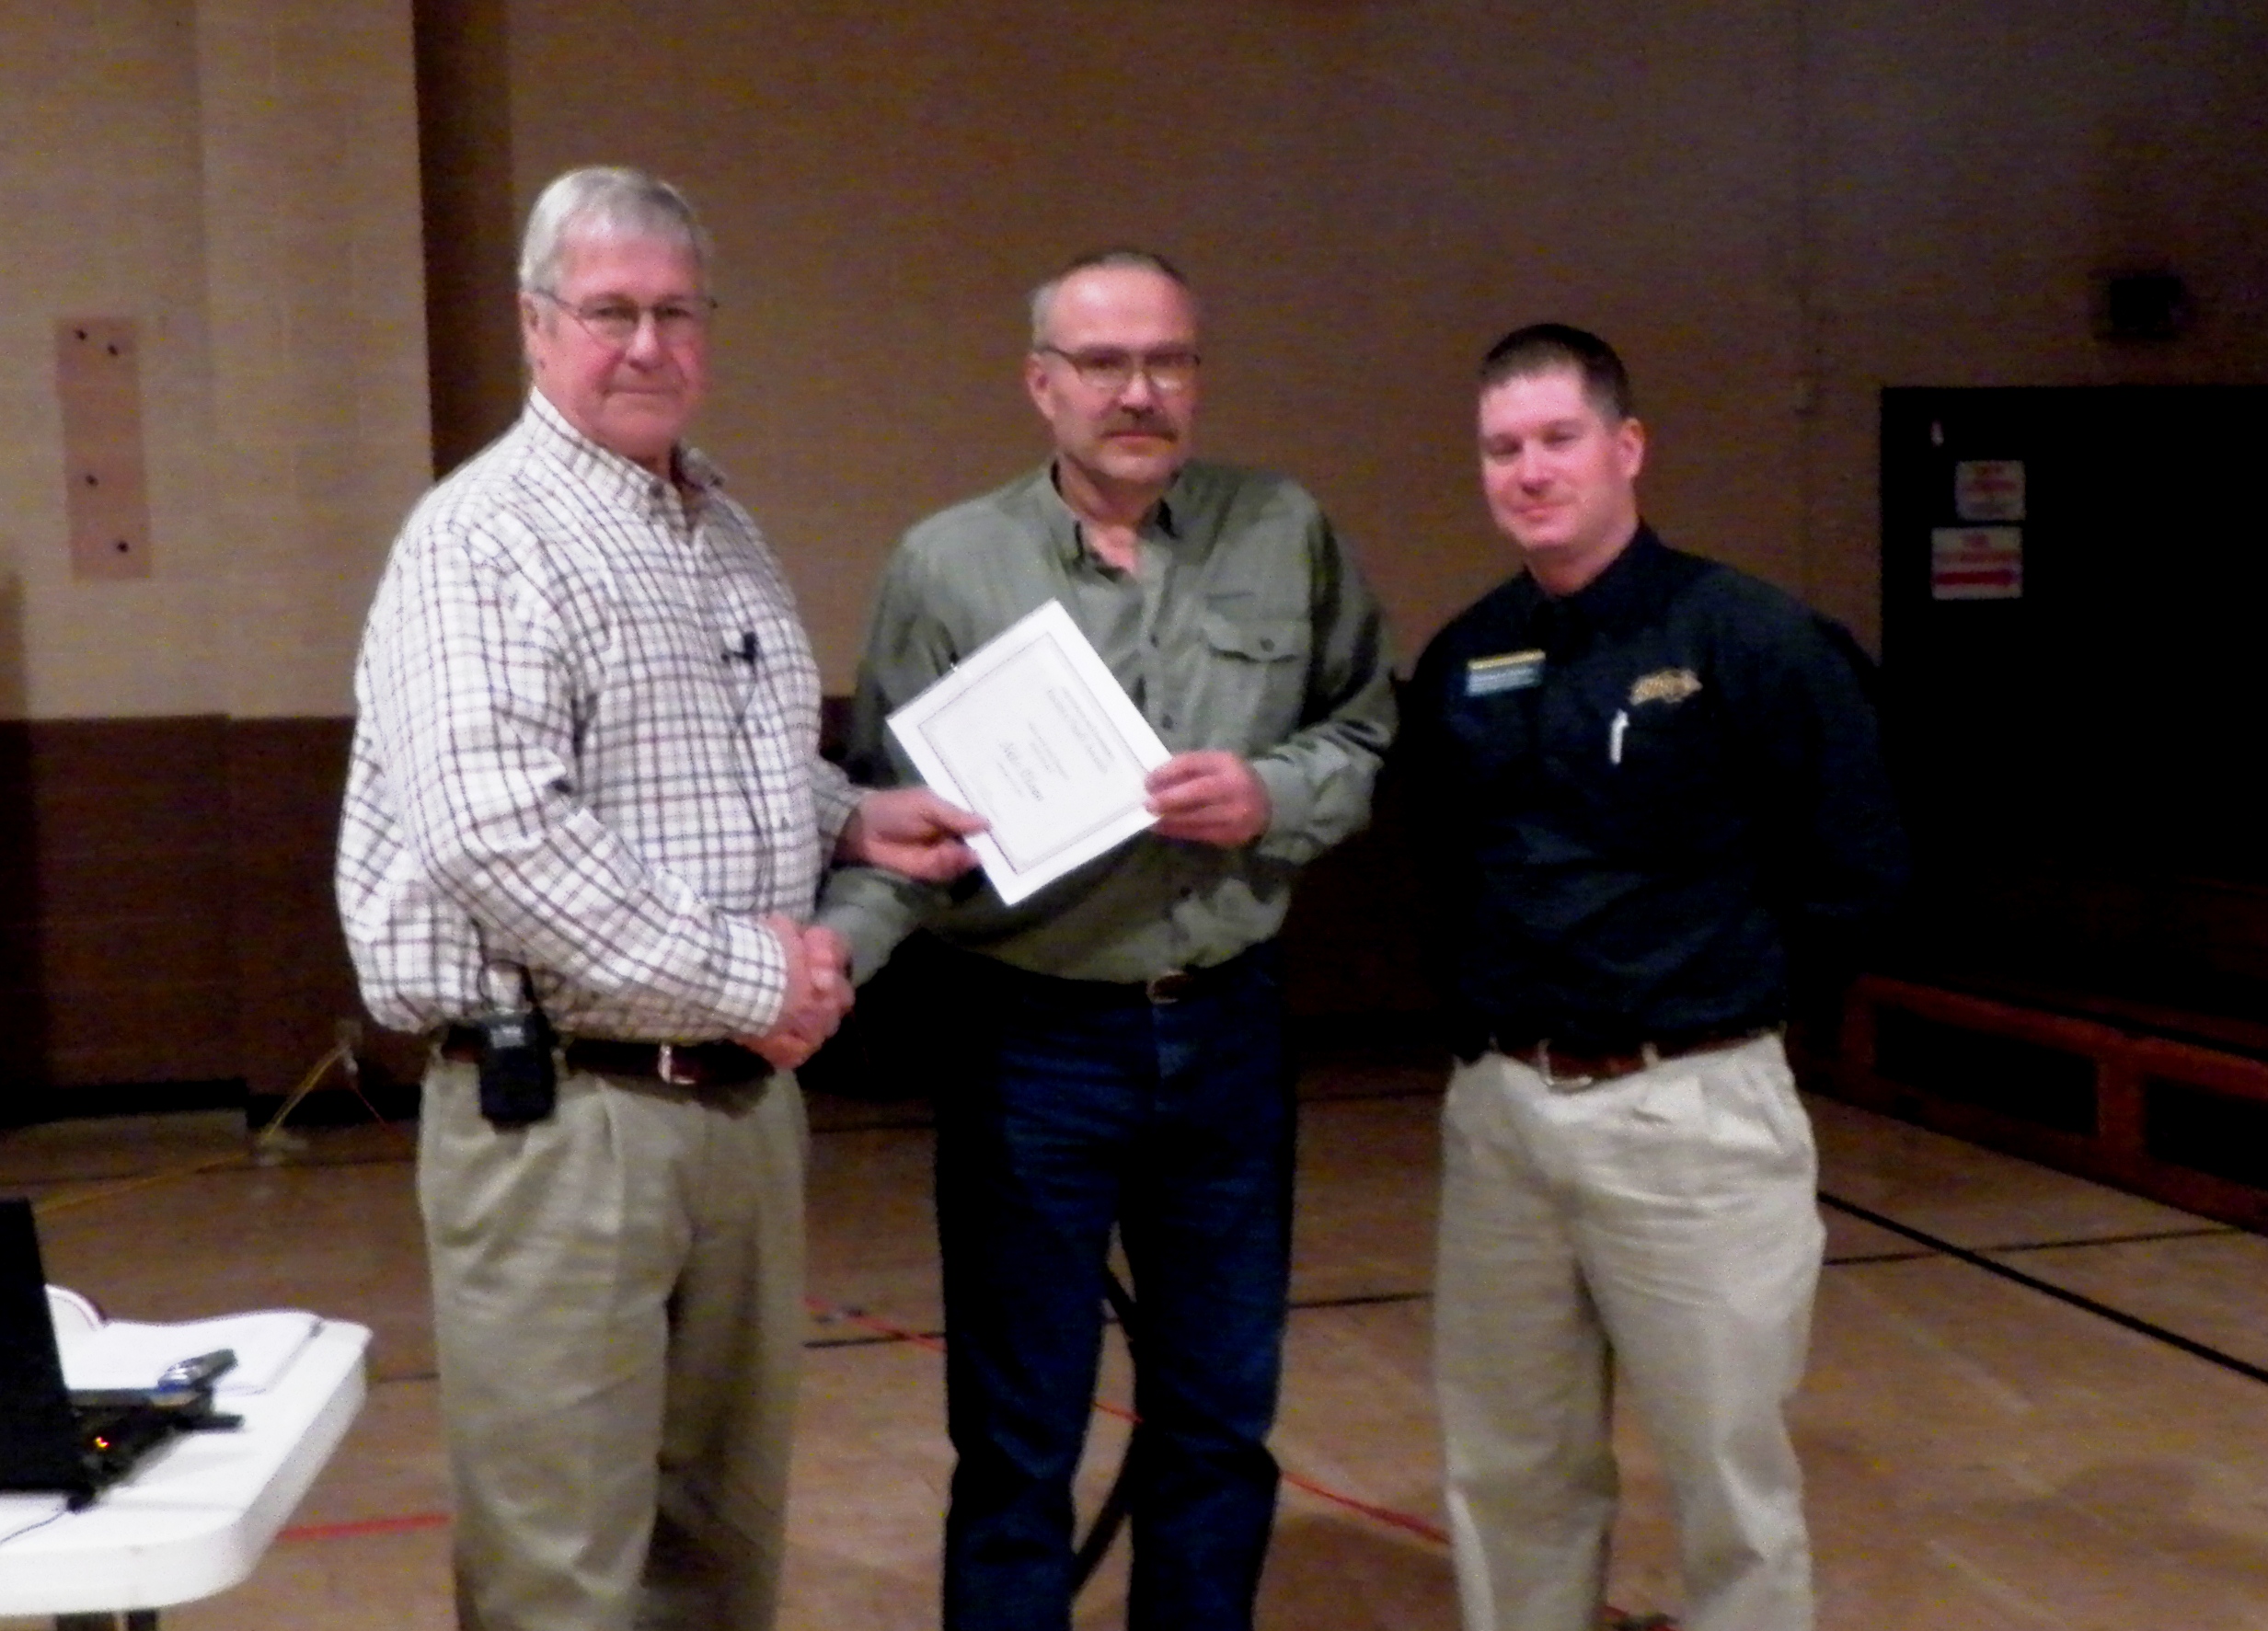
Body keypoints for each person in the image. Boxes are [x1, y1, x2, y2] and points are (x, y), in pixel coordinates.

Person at [335, 166, 981, 1631]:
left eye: (675, 312)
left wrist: (855, 814)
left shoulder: (716, 522)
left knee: (715, 1559)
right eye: (610, 310)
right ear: (535, 325)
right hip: (562, 1119)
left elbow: (717, 766)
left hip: (736, 1114)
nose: (646, 345)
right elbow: (498, 834)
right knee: (563, 1575)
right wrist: (756, 981)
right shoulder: (480, 538)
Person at [817, 249, 1395, 1631]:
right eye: (1102, 363)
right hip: (1031, 1038)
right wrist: (831, 958)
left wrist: (1273, 794)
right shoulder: (947, 562)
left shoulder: (1285, 530)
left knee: (1217, 1418)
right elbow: (883, 809)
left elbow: (1363, 731)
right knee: (1016, 1435)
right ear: (1040, 384)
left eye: (1170, 361)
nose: (1140, 391)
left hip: (1227, 1025)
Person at [1400, 323, 1907, 1631]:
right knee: (1509, 1467)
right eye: (1500, 447)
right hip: (1504, 1116)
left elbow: (1858, 863)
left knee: (1725, 1480)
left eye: (1556, 438)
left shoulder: (1750, 635)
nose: (1527, 469)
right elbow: (1437, 864)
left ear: (1625, 448)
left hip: (1691, 1110)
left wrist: (1728, 1003)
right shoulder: (1464, 656)